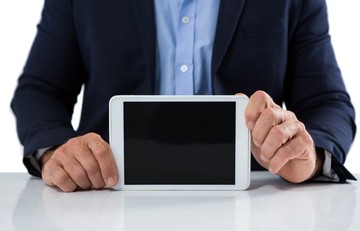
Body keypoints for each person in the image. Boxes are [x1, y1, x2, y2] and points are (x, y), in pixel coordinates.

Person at [11, 0, 356, 192]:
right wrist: (57, 151)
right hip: (106, 194)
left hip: (252, 202)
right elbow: (41, 90)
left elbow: (327, 101)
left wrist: (308, 156)